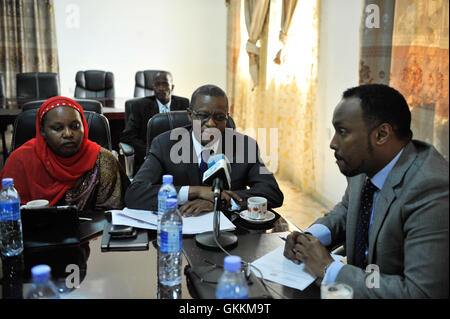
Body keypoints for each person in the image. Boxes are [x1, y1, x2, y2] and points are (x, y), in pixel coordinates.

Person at [284, 84, 449, 298]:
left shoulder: (430, 189)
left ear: (381, 134)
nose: (333, 143)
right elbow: (347, 209)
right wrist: (309, 239)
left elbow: (420, 292)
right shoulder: (364, 165)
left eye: (342, 132)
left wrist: (328, 269)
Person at [125, 84, 284, 216]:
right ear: (190, 115)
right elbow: (135, 194)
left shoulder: (245, 146)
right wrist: (195, 192)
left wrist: (218, 200)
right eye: (203, 116)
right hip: (180, 231)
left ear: (227, 118)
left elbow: (272, 193)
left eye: (219, 117)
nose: (212, 124)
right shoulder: (165, 144)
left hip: (229, 234)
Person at [0, 96, 129, 211]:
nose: (68, 134)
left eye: (75, 126)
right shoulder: (20, 160)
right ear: (42, 131)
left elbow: (112, 214)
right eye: (57, 128)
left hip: (92, 234)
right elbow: (8, 214)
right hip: (31, 234)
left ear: (84, 126)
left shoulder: (103, 160)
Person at [120, 71, 189, 171]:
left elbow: (190, 132)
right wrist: (149, 151)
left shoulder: (184, 104)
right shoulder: (140, 106)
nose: (161, 88)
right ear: (153, 87)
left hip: (178, 158)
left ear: (172, 87)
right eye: (157, 85)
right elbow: (127, 136)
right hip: (150, 158)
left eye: (165, 84)